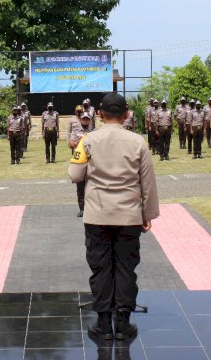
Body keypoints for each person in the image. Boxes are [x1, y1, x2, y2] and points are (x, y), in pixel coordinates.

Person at [68, 92, 160, 341]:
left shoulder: (87, 140)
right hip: (129, 215)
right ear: (127, 114)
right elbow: (147, 182)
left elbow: (75, 175)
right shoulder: (138, 141)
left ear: (99, 114)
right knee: (126, 268)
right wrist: (148, 213)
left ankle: (103, 324)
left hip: (97, 214)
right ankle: (123, 323)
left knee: (101, 269)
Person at [69, 112, 92, 217]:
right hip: (79, 163)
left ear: (90, 120)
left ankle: (91, 209)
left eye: (87, 119)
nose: (85, 121)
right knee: (80, 187)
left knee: (92, 186)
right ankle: (82, 209)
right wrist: (81, 144)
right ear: (81, 120)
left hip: (91, 162)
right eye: (83, 119)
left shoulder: (94, 132)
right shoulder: (76, 131)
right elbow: (71, 144)